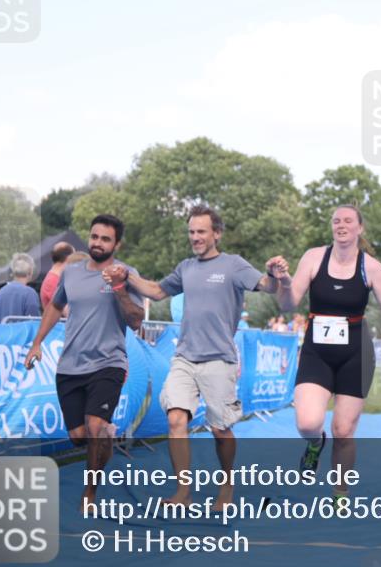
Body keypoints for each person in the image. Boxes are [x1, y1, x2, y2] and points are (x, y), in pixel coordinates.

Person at [105, 205, 286, 509]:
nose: (195, 237)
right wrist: (129, 276)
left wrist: (273, 273)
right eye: (191, 232)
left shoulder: (234, 265)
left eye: (201, 231)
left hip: (219, 359)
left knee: (220, 429)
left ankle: (226, 485)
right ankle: (183, 493)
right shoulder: (186, 268)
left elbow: (268, 287)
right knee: (176, 419)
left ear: (216, 233)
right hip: (184, 358)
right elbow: (157, 291)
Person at [271, 204, 381, 502]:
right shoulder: (314, 257)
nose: (341, 225)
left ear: (360, 228)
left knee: (343, 430)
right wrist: (283, 282)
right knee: (307, 422)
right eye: (336, 221)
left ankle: (340, 492)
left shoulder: (371, 267)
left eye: (347, 221)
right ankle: (315, 444)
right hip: (317, 351)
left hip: (356, 355)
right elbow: (287, 304)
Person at [25, 215, 144, 510]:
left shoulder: (127, 273)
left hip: (109, 363)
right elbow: (55, 306)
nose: (98, 243)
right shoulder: (72, 273)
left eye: (106, 239)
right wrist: (37, 342)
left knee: (93, 427)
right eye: (94, 237)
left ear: (117, 244)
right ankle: (105, 440)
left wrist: (119, 288)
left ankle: (89, 494)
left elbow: (137, 320)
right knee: (79, 437)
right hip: (70, 366)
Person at [0, 253, 41, 323]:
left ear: (13, 272)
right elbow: (34, 324)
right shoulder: (30, 294)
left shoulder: (0, 293)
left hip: (2, 333)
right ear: (30, 273)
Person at [40, 241, 75, 310]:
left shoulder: (55, 278)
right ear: (68, 258)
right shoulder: (53, 281)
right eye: (74, 258)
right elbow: (68, 311)